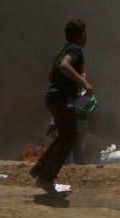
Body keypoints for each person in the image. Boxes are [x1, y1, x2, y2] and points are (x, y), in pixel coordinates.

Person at [34, 19, 94, 197]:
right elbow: (64, 66)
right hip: (61, 99)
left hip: (53, 97)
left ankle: (40, 169)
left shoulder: (62, 51)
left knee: (66, 136)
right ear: (82, 35)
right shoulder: (75, 50)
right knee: (70, 137)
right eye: (85, 33)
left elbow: (51, 76)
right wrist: (83, 82)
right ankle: (46, 177)